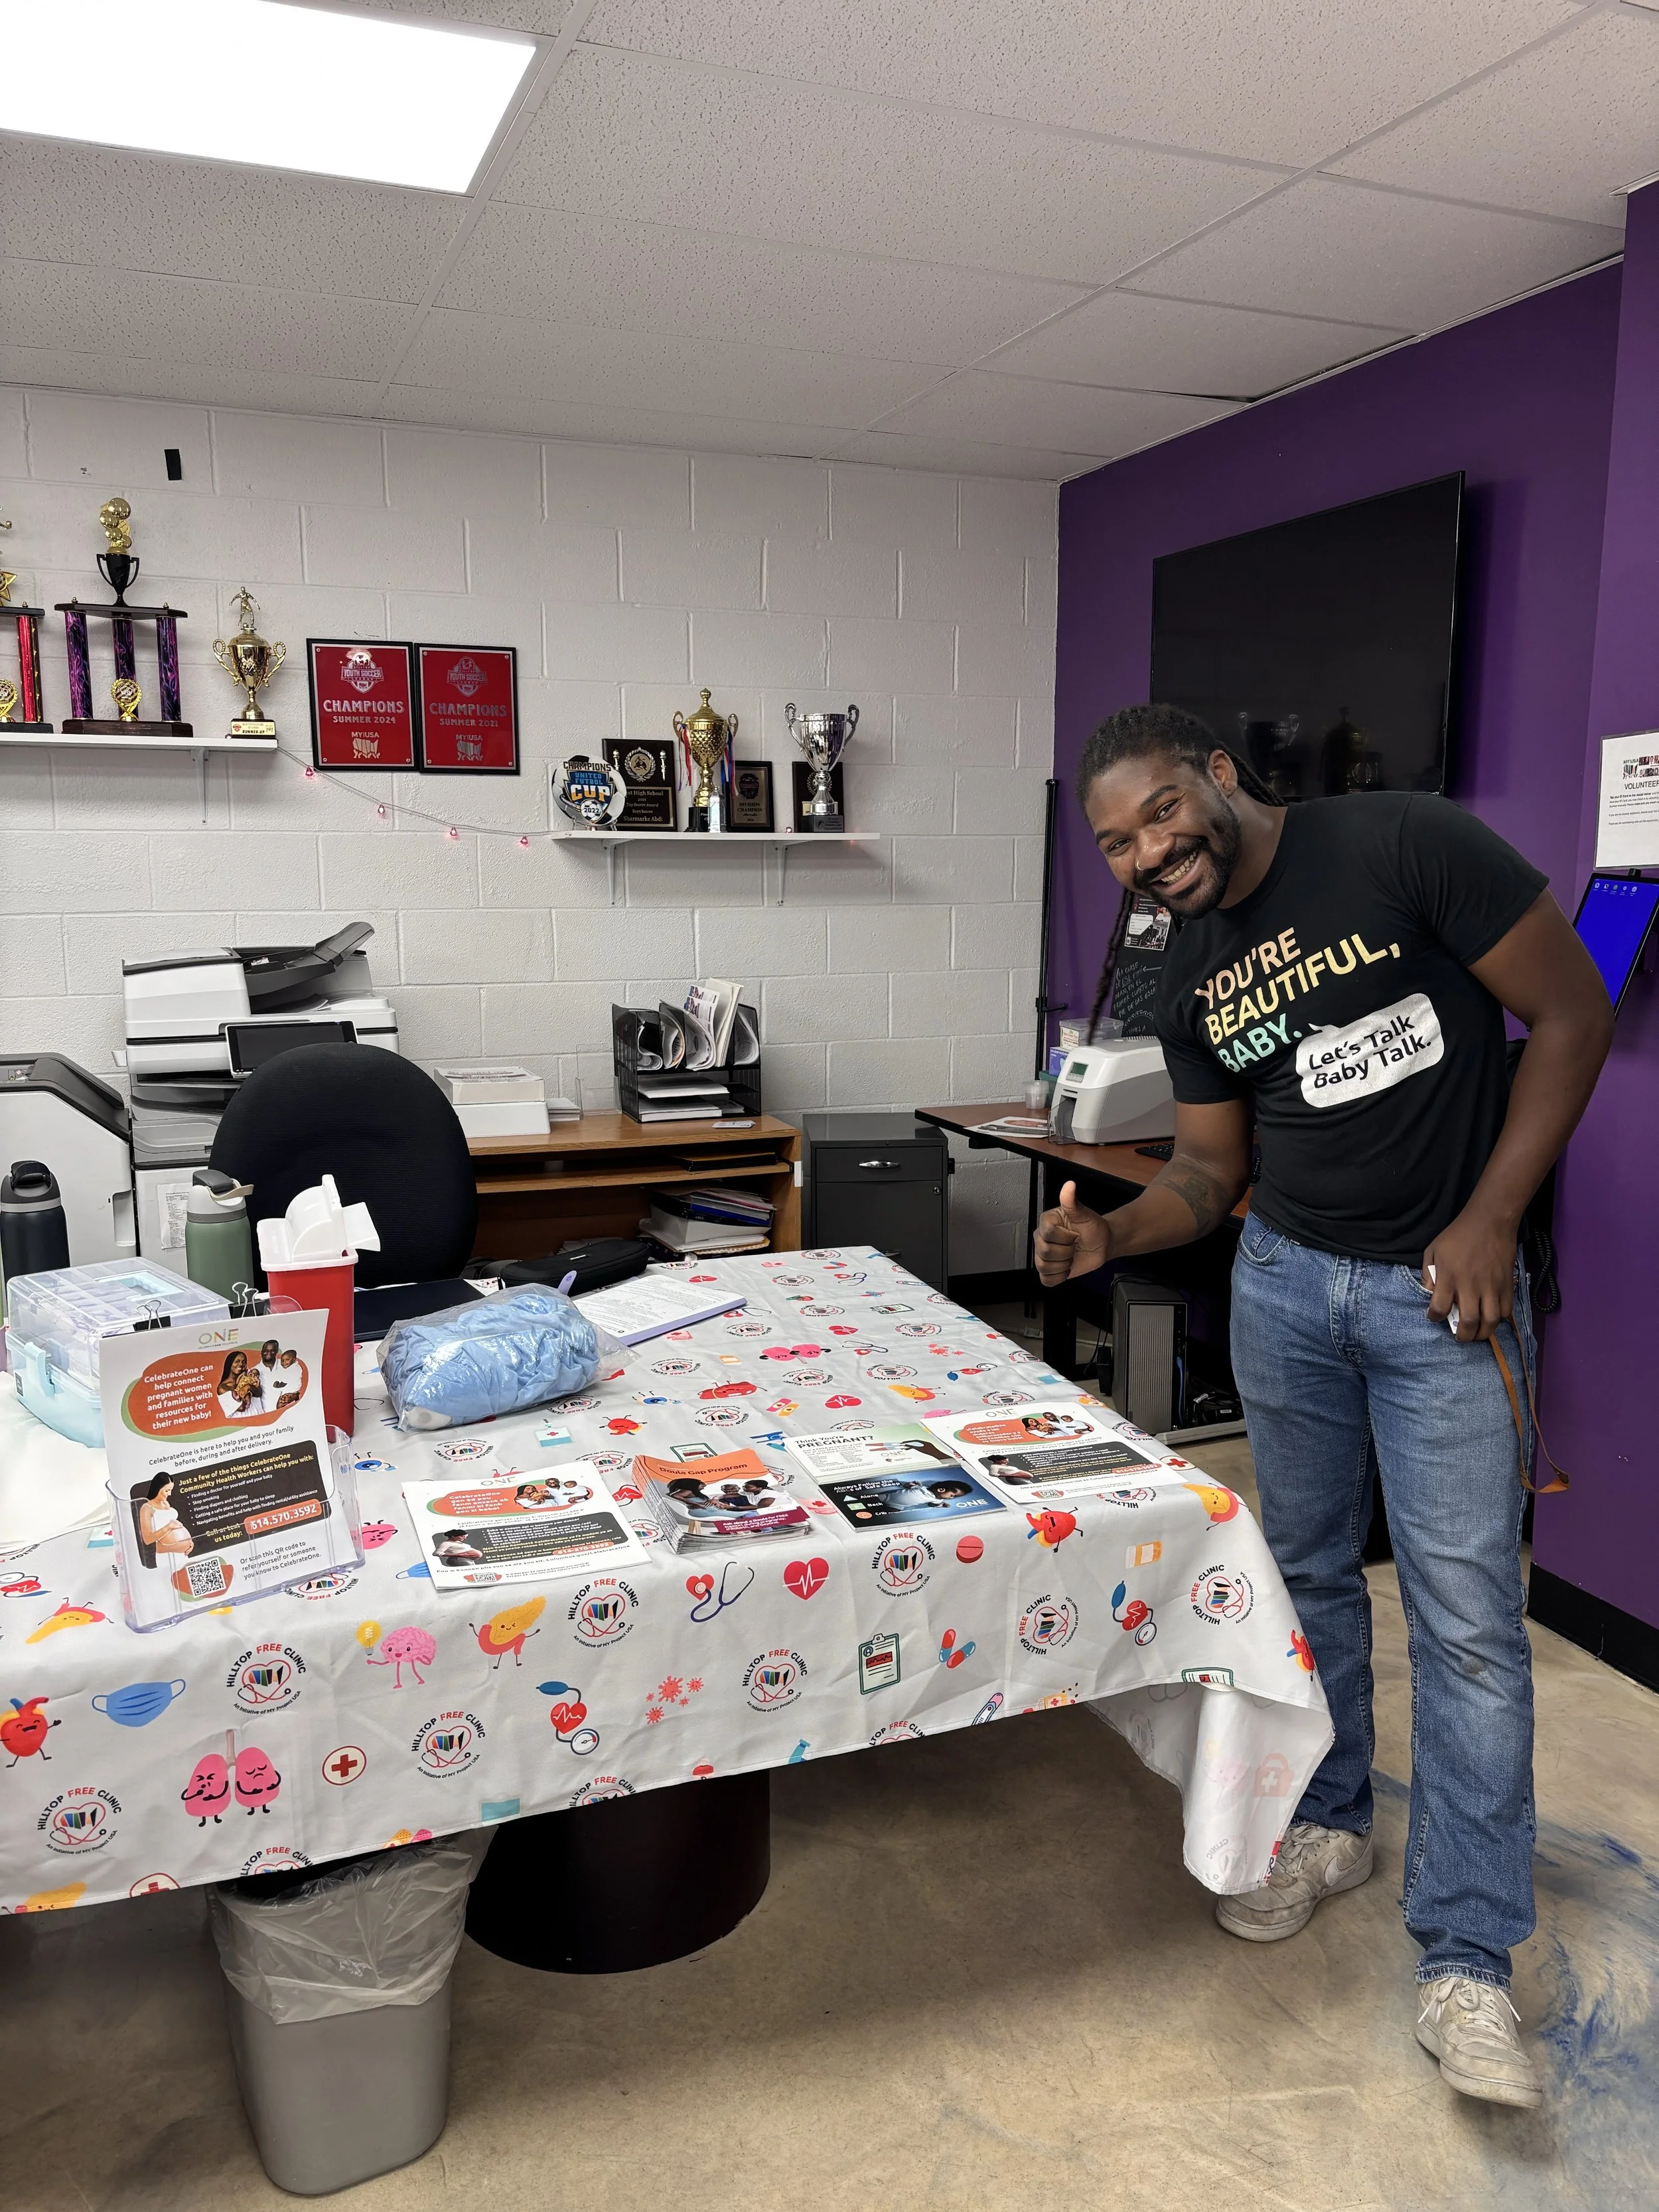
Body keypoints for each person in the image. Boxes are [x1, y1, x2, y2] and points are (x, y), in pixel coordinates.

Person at [1035, 703, 1613, 2112]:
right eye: (1112, 840)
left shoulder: (1403, 840)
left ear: (1218, 778)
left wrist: (1489, 1217)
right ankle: (1329, 1819)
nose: (1142, 852)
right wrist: (1116, 1235)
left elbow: (1574, 1009)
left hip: (1442, 1297)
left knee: (1469, 1621)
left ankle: (1467, 1955)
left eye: (1158, 812)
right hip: (1286, 1288)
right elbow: (1208, 1174)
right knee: (1299, 1580)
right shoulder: (1179, 968)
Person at [137, 1473, 192, 1561]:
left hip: (183, 1554)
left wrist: (189, 1542)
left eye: (171, 1490)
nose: (170, 1494)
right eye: (167, 1491)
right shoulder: (147, 1508)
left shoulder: (166, 1503)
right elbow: (147, 1539)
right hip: (167, 1556)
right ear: (157, 1488)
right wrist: (169, 1526)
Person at [216, 1350, 263, 1420]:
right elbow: (241, 1408)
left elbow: (259, 1393)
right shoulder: (223, 1387)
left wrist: (249, 1386)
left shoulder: (249, 1375)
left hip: (261, 1418)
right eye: (237, 1361)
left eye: (243, 1362)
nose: (241, 1364)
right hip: (243, 1425)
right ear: (230, 1364)